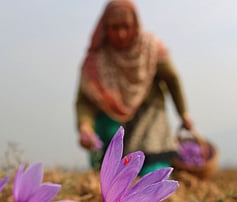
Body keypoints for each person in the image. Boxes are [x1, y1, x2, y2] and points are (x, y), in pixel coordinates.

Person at [75, 0, 195, 176]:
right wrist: (85, 127)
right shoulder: (95, 60)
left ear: (135, 24)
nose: (121, 34)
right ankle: (107, 173)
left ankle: (153, 177)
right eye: (114, 28)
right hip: (111, 121)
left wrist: (183, 113)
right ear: (105, 28)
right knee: (108, 159)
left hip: (148, 116)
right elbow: (85, 100)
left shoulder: (151, 48)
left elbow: (172, 80)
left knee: (151, 169)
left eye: (126, 26)